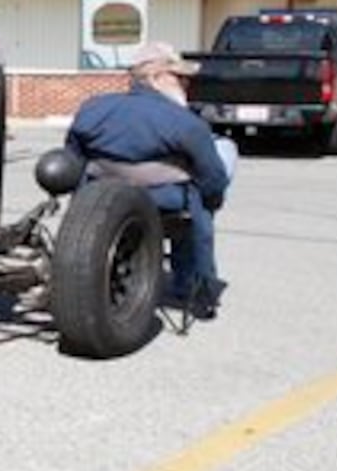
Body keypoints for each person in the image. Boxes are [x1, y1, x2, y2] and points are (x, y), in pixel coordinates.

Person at [64, 40, 232, 319]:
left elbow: (72, 158)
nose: (186, 84)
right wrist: (213, 203)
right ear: (155, 78)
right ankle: (189, 280)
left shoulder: (92, 109)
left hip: (98, 197)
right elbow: (213, 181)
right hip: (165, 202)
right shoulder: (186, 122)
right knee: (225, 155)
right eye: (179, 78)